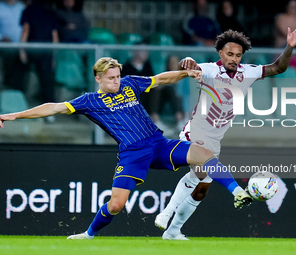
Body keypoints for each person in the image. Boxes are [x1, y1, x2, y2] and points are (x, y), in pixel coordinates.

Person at [0, 57, 252, 240]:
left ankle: (237, 192)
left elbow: (162, 79)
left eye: (118, 76)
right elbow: (52, 107)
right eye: (111, 78)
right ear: (97, 78)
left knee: (203, 153)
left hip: (158, 143)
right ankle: (88, 235)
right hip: (132, 153)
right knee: (116, 205)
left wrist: (187, 73)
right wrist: (14, 116)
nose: (116, 81)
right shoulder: (90, 101)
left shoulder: (130, 84)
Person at [155, 25, 296, 240]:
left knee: (201, 189)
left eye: (238, 55)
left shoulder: (249, 72)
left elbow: (277, 68)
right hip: (195, 132)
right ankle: (166, 213)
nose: (234, 59)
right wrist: (185, 61)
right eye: (230, 54)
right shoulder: (209, 70)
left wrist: (289, 47)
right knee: (200, 173)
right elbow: (188, 67)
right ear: (220, 53)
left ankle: (173, 231)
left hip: (215, 139)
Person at [20, 0, 59, 104]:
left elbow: (25, 30)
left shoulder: (28, 10)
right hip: (46, 51)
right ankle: (50, 112)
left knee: (23, 76)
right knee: (46, 81)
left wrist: (22, 50)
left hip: (32, 50)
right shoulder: (50, 12)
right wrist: (54, 55)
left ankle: (23, 106)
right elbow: (55, 36)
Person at [0, 0, 26, 91]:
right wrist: (2, 37)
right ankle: (8, 90)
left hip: (23, 46)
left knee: (21, 71)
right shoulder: (0, 7)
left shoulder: (21, 7)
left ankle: (19, 92)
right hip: (5, 47)